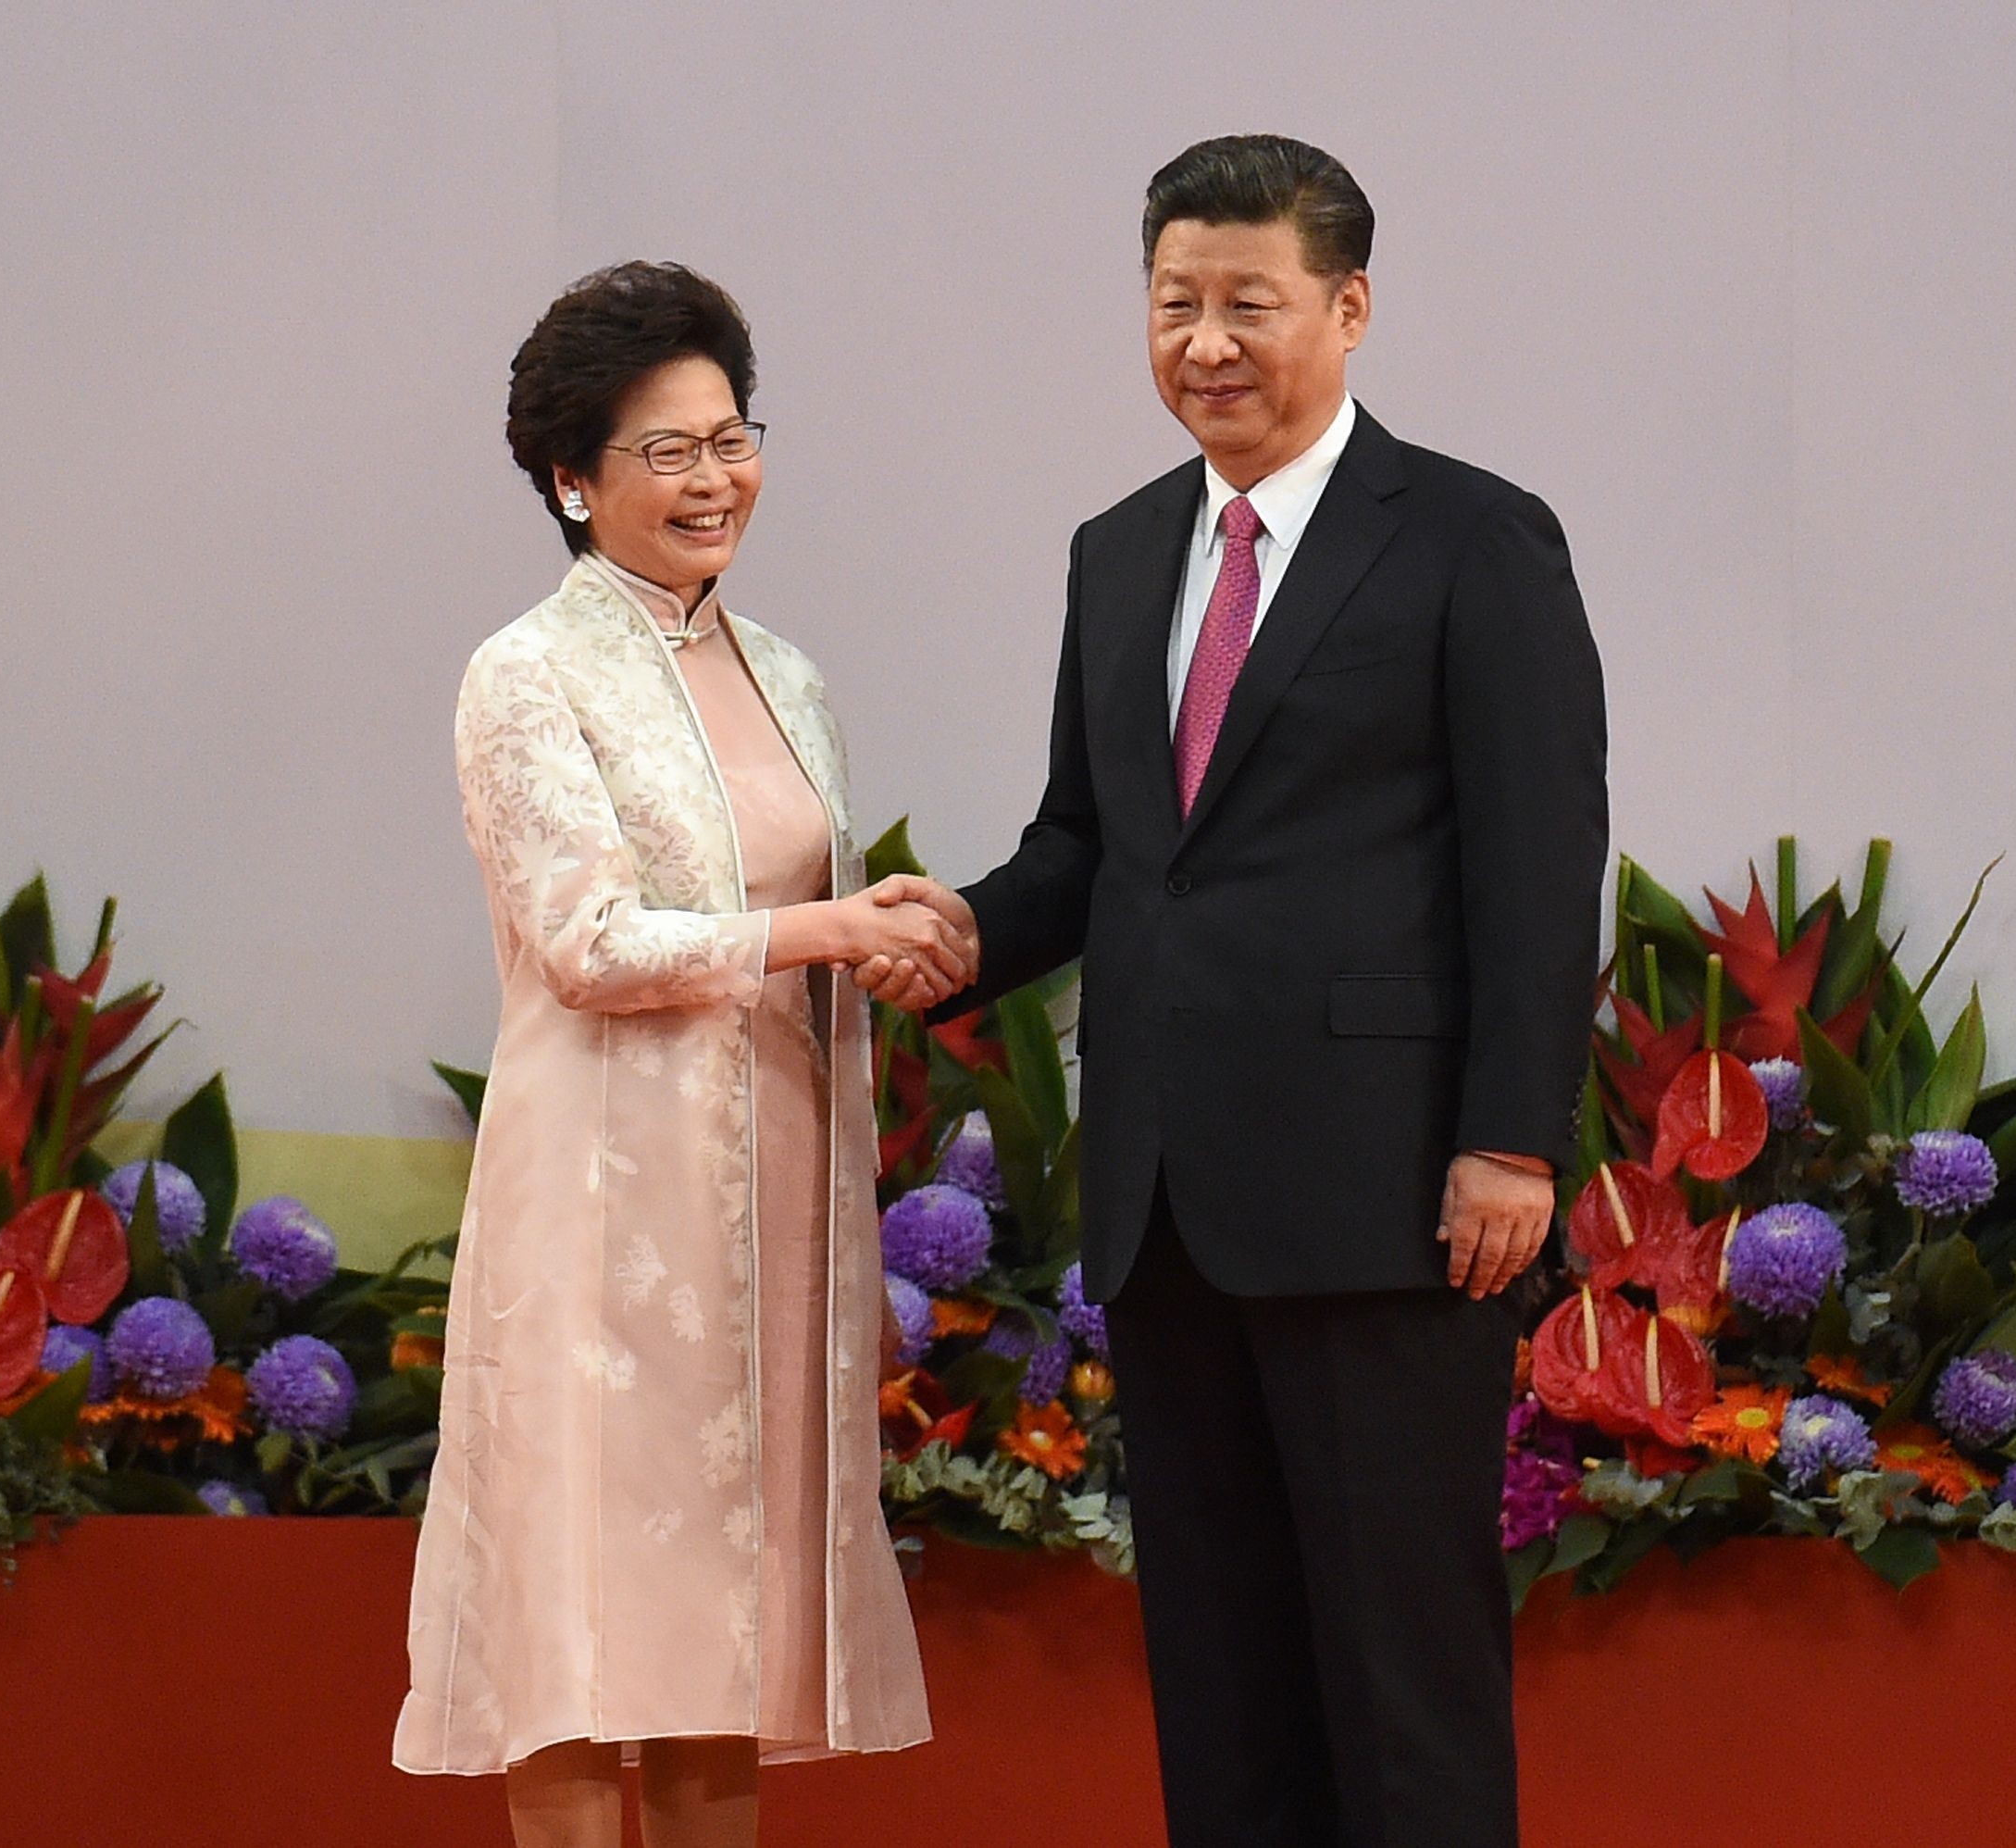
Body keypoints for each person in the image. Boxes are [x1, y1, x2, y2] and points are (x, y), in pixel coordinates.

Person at [865, 137, 1609, 1847]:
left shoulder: (1475, 538)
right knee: (1218, 1678)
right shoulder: (1119, 549)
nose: (1206, 341)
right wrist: (962, 931)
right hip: (1170, 1202)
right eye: (1174, 302)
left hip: (1392, 1198)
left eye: (1248, 305)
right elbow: (1096, 843)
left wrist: (1510, 1138)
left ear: (1347, 311)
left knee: (1399, 1674)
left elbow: (1537, 854)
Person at [396, 260, 945, 1848]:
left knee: (723, 1626)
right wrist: (819, 937)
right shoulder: (526, 674)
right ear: (572, 480)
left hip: (769, 1209)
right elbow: (587, 943)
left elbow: (801, 920)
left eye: (732, 437)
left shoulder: (788, 673)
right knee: (581, 1623)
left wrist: (901, 942)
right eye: (665, 451)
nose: (715, 480)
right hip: (605, 1206)